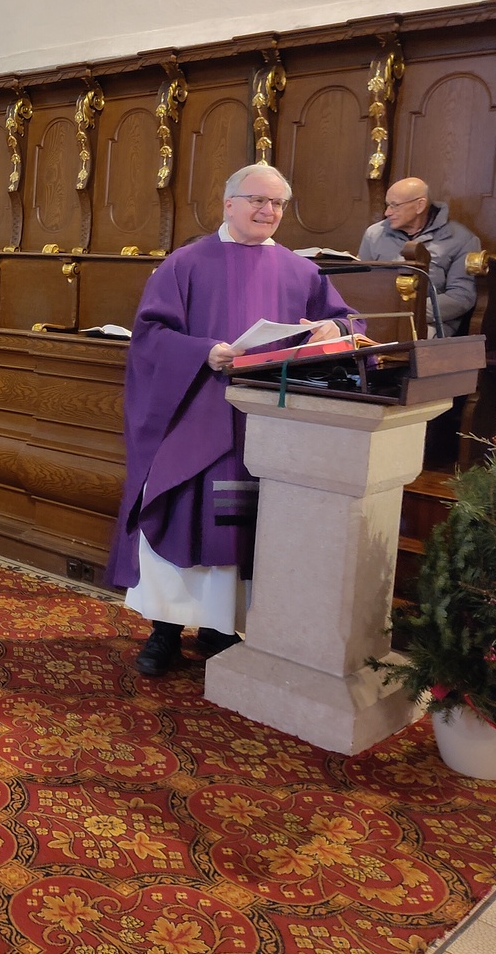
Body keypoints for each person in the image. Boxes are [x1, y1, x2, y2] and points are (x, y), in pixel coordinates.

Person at [104, 163, 356, 678]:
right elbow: (150, 337)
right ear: (228, 204)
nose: (268, 211)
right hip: (196, 415)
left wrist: (334, 327)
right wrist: (203, 352)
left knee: (242, 526)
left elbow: (347, 321)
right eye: (258, 200)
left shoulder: (302, 271)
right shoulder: (186, 263)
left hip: (266, 424)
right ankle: (165, 630)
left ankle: (222, 628)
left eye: (278, 203)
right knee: (182, 513)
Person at [357, 177, 482, 336]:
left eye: (394, 205)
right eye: (387, 205)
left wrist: (408, 312)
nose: (387, 212)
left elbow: (461, 297)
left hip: (429, 322)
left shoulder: (462, 239)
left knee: (407, 340)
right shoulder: (374, 234)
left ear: (420, 205)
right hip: (377, 319)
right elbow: (360, 285)